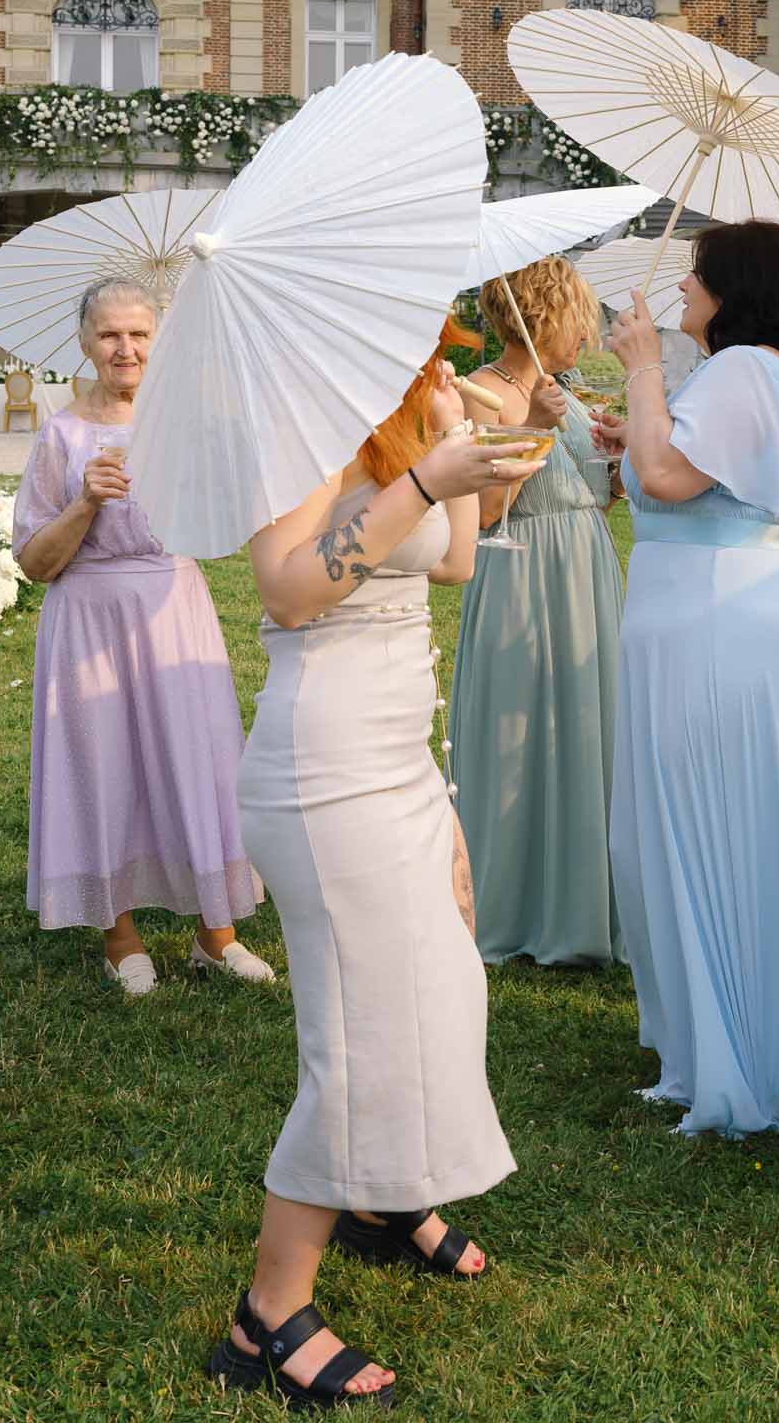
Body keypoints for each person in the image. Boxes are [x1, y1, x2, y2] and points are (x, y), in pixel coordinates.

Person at [209, 319, 541, 1410]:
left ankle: (382, 1199)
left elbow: (448, 560)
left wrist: (448, 448)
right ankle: (267, 1312)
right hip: (324, 769)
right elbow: (288, 588)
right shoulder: (292, 428)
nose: (433, 348)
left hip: (399, 754)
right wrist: (426, 475)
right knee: (357, 1036)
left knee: (443, 985)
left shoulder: (398, 419)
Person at [597, 220, 779, 1164]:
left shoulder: (741, 372)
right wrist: (644, 412)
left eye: (699, 273)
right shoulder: (767, 376)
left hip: (721, 632)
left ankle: (739, 1060)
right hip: (727, 626)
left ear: (734, 291)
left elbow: (662, 476)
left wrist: (643, 370)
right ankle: (738, 1041)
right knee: (727, 833)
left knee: (707, 832)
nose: (683, 285)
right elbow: (681, 470)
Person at [13, 279, 269, 993]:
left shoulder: (187, 424)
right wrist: (85, 501)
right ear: (86, 343)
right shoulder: (60, 435)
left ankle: (216, 934)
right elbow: (35, 562)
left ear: (160, 341)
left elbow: (232, 519)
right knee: (103, 763)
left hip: (172, 606)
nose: (125, 349)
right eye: (109, 335)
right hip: (88, 615)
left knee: (198, 757)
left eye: (139, 335)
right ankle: (118, 935)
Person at [452, 259, 626, 967]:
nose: (587, 335)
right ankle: (516, 903)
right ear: (541, 316)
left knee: (588, 728)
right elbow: (483, 511)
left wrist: (614, 460)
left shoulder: (570, 398)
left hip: (583, 571)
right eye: (577, 318)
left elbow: (595, 498)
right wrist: (528, 425)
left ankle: (586, 896)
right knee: (516, 733)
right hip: (519, 572)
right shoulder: (481, 395)